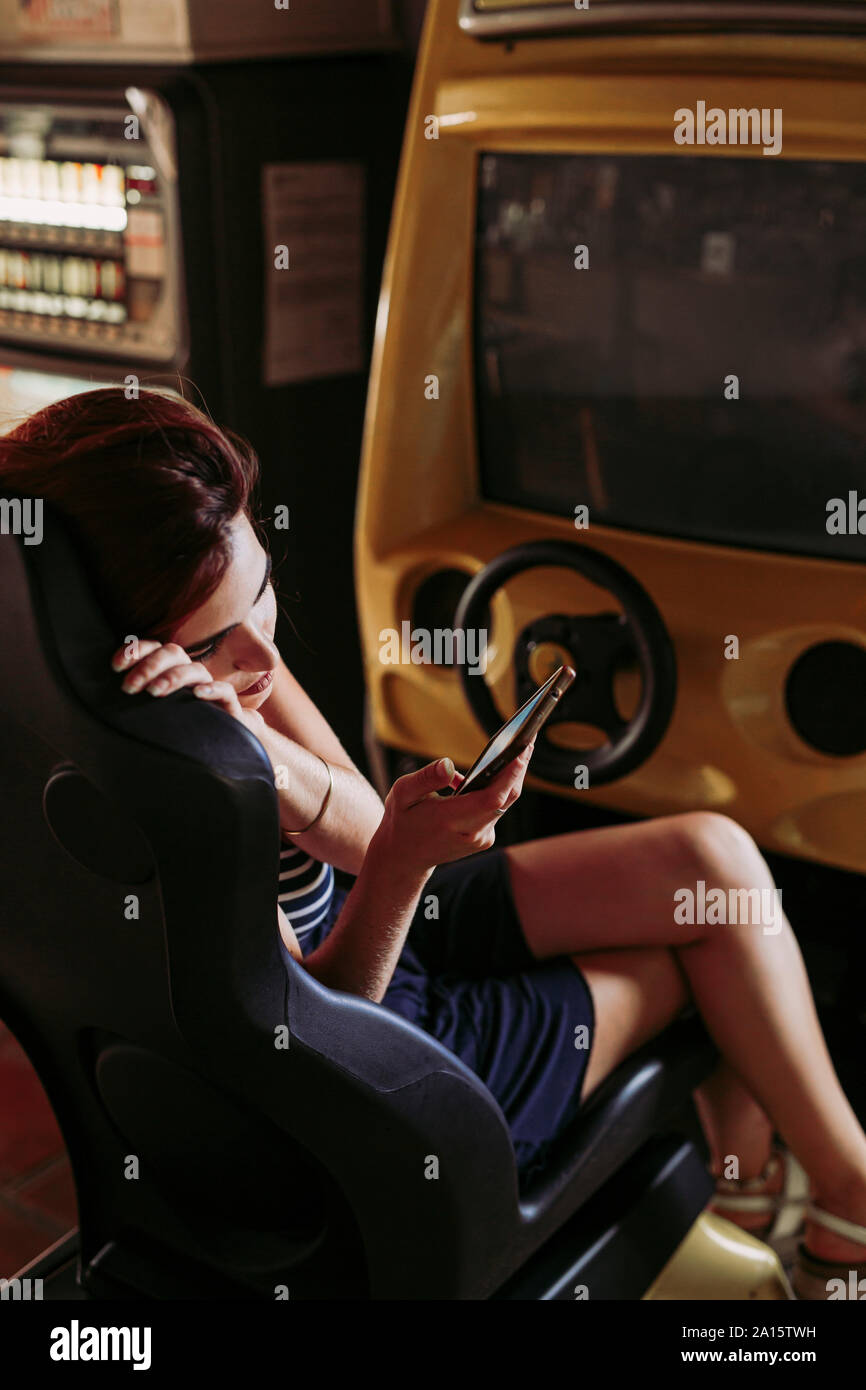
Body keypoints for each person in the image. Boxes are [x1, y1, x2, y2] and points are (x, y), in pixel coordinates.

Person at [3, 385, 865, 1301]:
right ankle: (815, 1215)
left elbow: (362, 834)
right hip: (381, 1055)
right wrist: (356, 838)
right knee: (709, 966)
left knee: (713, 868)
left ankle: (760, 1202)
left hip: (391, 925)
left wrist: (265, 760)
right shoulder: (165, 786)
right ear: (126, 644)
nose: (263, 654)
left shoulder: (213, 658)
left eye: (263, 597)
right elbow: (310, 1048)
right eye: (218, 642)